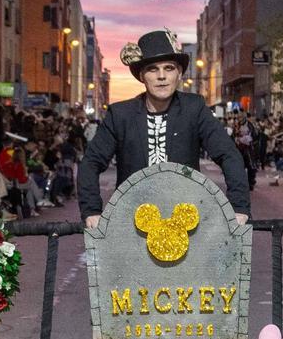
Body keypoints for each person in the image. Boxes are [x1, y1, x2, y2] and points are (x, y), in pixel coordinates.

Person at [79, 29, 249, 226]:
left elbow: (228, 154)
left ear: (179, 74)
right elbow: (91, 162)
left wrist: (238, 207)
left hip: (187, 221)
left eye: (169, 68)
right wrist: (92, 210)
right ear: (142, 75)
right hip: (131, 222)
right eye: (153, 69)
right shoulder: (120, 114)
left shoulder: (194, 108)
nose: (162, 76)